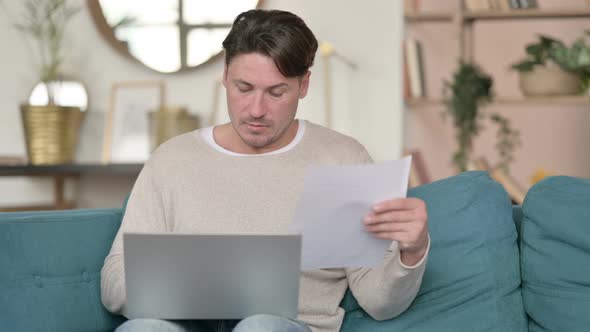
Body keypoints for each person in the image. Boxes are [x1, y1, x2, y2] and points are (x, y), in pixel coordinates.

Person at [101, 8, 430, 332]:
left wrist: (411, 253)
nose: (256, 110)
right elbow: (115, 283)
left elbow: (378, 301)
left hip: (283, 327)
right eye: (244, 88)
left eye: (276, 92)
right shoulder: (171, 160)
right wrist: (195, 291)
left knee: (260, 327)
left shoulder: (342, 158)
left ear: (303, 85)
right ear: (225, 75)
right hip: (184, 324)